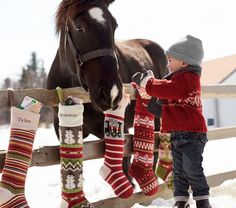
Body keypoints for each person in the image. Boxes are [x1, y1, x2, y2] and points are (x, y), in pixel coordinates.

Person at [132, 35, 211, 208]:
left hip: (192, 135)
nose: (167, 64)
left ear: (184, 62)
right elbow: (159, 108)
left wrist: (150, 84)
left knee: (192, 169)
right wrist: (144, 93)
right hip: (176, 135)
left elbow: (169, 89)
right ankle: (181, 201)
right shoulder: (173, 80)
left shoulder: (189, 79)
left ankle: (203, 200)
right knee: (179, 172)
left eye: (170, 60)